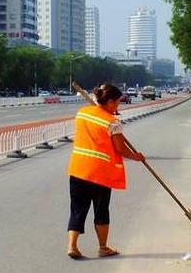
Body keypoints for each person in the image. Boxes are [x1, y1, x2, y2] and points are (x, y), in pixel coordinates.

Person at [67, 84, 145, 259]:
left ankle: (72, 246)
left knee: (78, 209)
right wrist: (137, 156)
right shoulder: (112, 122)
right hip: (100, 174)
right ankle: (103, 247)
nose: (118, 106)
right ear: (109, 101)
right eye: (117, 103)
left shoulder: (82, 113)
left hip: (78, 169)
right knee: (101, 211)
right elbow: (120, 149)